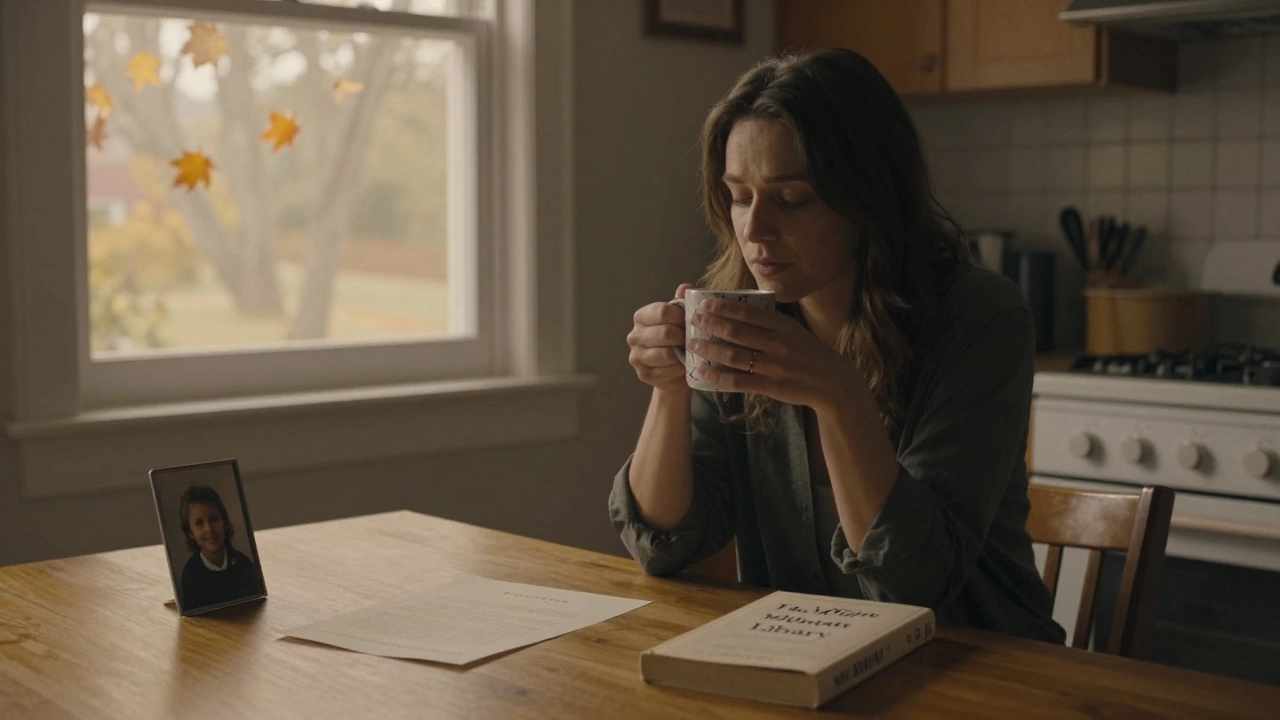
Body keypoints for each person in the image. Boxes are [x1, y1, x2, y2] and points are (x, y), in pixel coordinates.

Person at [610, 48, 1066, 644]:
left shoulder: (979, 320)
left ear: (869, 198)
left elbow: (913, 585)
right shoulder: (740, 314)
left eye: (792, 198)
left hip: (979, 666)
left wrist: (840, 396)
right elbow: (664, 545)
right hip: (806, 665)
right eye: (739, 196)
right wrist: (669, 389)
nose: (753, 230)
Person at [178, 484, 263, 610]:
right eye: (199, 523)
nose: (209, 529)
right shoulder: (190, 575)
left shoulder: (244, 565)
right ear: (190, 533)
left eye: (214, 519)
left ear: (225, 522)